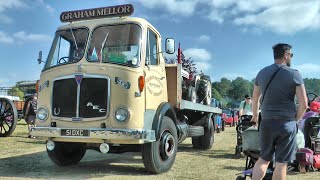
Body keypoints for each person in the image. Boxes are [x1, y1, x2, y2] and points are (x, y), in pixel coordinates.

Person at [250, 43, 308, 180]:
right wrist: (295, 120)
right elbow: (304, 104)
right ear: (286, 55)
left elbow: (255, 99)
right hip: (286, 124)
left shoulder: (262, 73)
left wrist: (254, 116)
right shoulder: (294, 74)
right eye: (291, 55)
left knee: (263, 159)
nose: (291, 58)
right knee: (281, 164)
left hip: (266, 122)